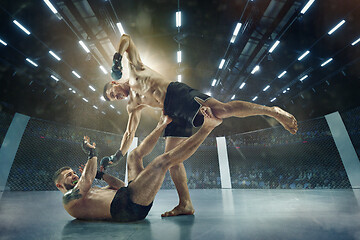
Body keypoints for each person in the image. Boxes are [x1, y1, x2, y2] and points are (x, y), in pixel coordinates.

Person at [101, 34, 298, 217]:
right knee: (173, 160)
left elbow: (126, 39)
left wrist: (117, 58)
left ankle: (272, 111)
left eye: (113, 93)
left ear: (114, 82)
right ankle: (185, 204)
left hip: (177, 94)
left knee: (222, 110)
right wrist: (118, 155)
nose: (117, 97)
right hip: (170, 113)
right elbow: (129, 132)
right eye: (113, 99)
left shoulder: (135, 69)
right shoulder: (132, 105)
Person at [53, 108, 222, 222]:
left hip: (128, 195)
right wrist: (92, 153)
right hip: (129, 209)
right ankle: (207, 127)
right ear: (59, 185)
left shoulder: (91, 191)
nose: (73, 175)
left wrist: (101, 175)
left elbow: (120, 186)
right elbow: (86, 180)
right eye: (68, 175)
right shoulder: (68, 200)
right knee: (161, 162)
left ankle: (162, 124)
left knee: (134, 155)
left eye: (72, 172)